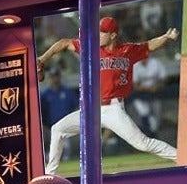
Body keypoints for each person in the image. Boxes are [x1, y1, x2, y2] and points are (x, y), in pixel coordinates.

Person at [38, 16, 179, 174]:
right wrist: (42, 59)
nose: (99, 35)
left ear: (113, 35)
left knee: (143, 144)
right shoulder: (91, 49)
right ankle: (50, 175)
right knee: (58, 129)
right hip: (91, 110)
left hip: (113, 109)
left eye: (103, 32)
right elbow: (64, 43)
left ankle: (181, 156)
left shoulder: (127, 51)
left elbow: (150, 45)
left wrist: (166, 37)